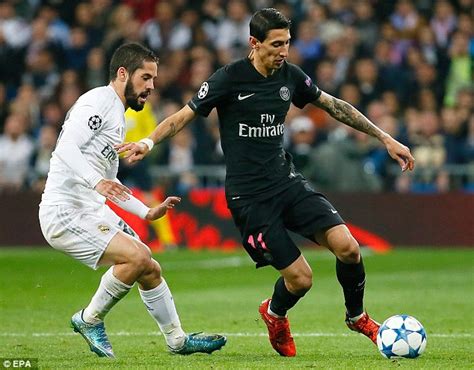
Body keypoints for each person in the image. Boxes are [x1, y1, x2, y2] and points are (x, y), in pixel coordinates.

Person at [117, 9, 415, 357]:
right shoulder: (229, 79)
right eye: (276, 44)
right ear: (254, 44)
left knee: (348, 248)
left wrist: (385, 138)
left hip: (286, 182)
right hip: (250, 199)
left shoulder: (290, 75)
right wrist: (147, 142)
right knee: (301, 279)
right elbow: (183, 115)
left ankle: (357, 316)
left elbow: (333, 105)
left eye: (287, 43)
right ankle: (274, 313)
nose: (283, 51)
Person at [38, 42, 226, 358]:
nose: (151, 86)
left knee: (149, 267)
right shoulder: (97, 103)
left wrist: (145, 210)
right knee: (137, 256)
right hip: (64, 210)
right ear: (123, 73)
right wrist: (95, 181)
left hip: (89, 207)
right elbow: (65, 148)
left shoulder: (117, 115)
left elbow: (110, 182)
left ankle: (177, 340)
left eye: (153, 79)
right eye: (145, 78)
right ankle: (89, 319)